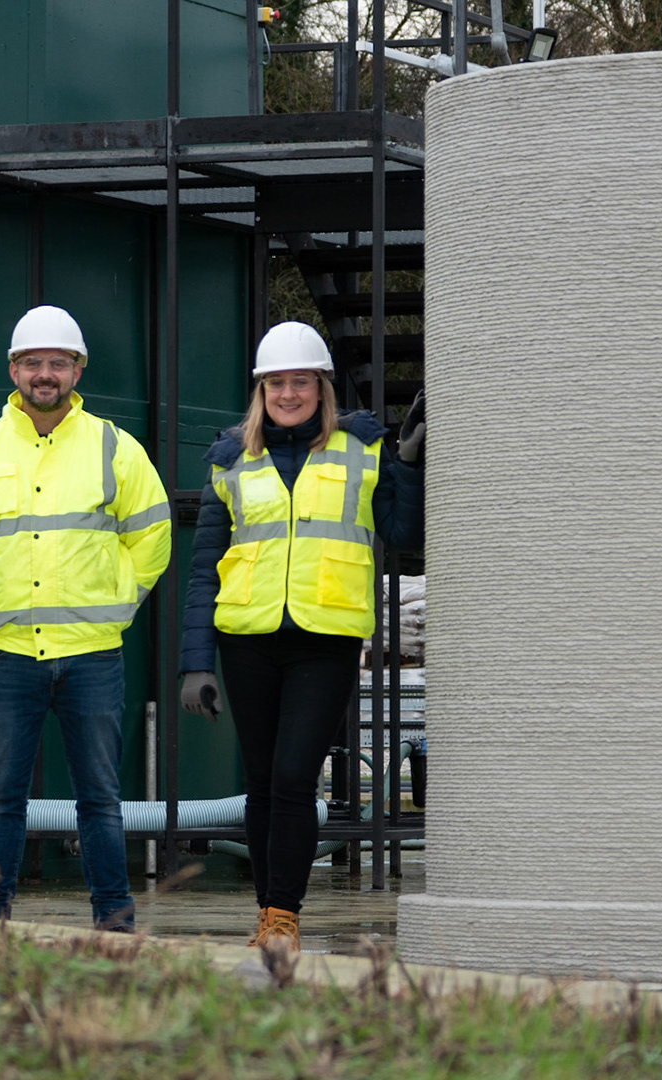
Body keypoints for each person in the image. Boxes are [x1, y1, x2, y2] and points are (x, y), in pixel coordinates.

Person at [177, 321, 425, 951]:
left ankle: (284, 913)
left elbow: (403, 535)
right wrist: (195, 662)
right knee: (263, 782)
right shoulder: (230, 459)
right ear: (262, 390)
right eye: (277, 383)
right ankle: (269, 913)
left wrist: (409, 465)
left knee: (293, 775)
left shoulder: (362, 447)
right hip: (248, 638)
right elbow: (206, 565)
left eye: (301, 382)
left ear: (322, 387)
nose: (289, 394)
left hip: (326, 637)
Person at [0, 304, 171, 928]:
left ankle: (114, 916)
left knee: (100, 799)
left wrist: (119, 599)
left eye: (57, 363)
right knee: (1, 800)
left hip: (92, 651)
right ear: (13, 370)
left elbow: (153, 535)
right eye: (33, 362)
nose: (45, 374)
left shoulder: (114, 447)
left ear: (77, 369)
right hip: (7, 652)